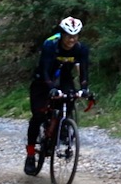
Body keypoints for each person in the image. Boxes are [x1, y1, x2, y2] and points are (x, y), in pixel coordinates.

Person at [25, 16, 91, 175]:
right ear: (62, 34)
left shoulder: (81, 49)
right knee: (38, 116)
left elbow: (83, 72)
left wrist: (84, 88)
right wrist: (51, 88)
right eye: (69, 36)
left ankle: (63, 127)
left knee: (69, 98)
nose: (72, 40)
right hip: (43, 79)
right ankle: (31, 154)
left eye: (75, 36)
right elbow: (45, 69)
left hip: (64, 78)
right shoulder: (50, 45)